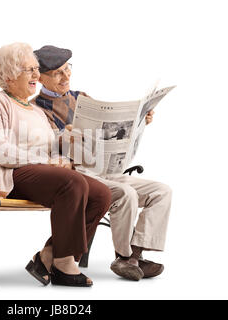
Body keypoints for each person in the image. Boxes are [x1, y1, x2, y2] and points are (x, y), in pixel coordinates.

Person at [0, 43, 112, 287]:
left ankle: (49, 255)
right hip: (7, 177)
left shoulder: (34, 111)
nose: (37, 76)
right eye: (30, 70)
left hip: (37, 173)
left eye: (37, 69)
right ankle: (65, 263)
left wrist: (68, 140)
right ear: (9, 75)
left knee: (101, 193)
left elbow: (48, 143)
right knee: (73, 183)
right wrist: (45, 161)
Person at [31, 45, 172, 281]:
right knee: (125, 193)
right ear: (40, 77)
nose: (66, 77)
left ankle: (134, 256)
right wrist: (66, 137)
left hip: (105, 169)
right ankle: (124, 258)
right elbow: (47, 150)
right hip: (78, 174)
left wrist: (139, 122)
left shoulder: (81, 98)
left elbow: (106, 125)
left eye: (68, 69)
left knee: (162, 191)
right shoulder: (37, 109)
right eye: (57, 73)